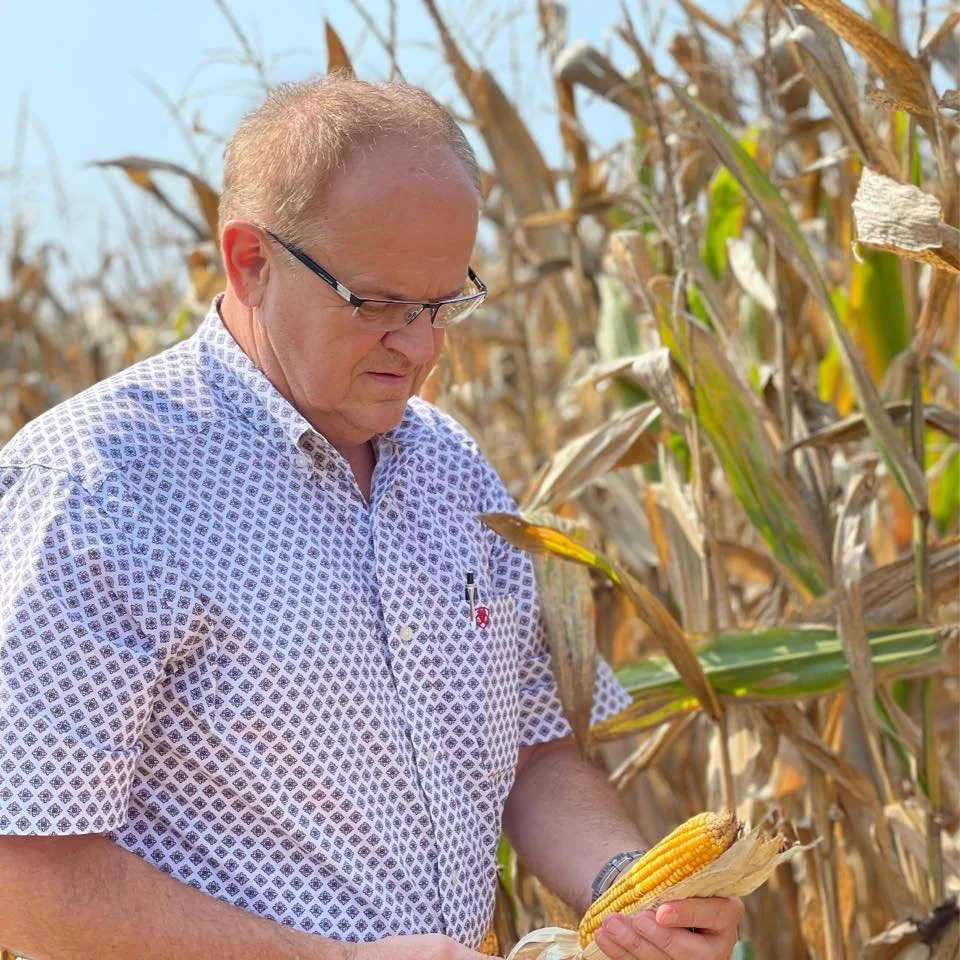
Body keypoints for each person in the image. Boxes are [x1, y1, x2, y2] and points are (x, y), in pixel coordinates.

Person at [0, 75, 743, 960]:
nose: (422, 347)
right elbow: (23, 871)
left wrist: (629, 886)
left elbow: (535, 755)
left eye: (442, 305)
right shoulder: (101, 485)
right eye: (379, 304)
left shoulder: (453, 471)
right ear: (250, 261)